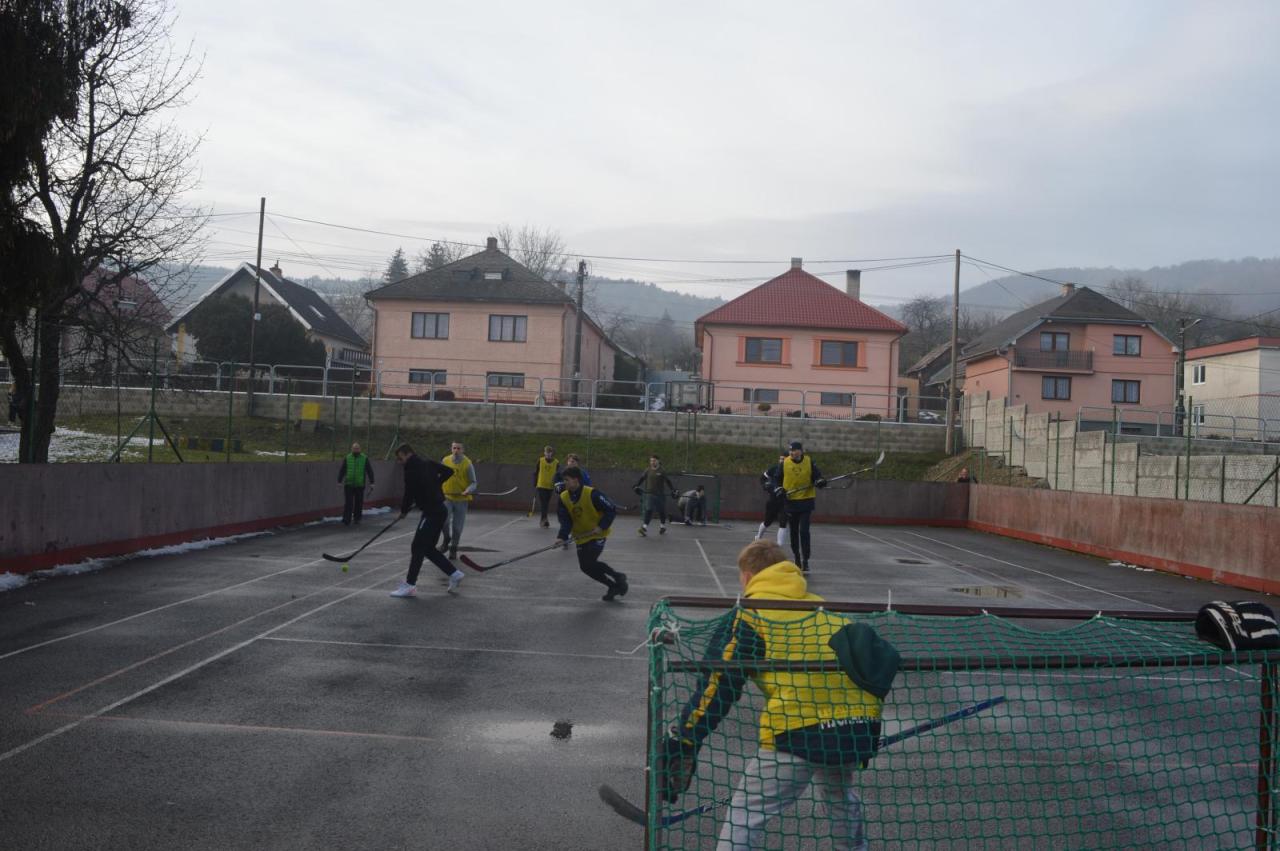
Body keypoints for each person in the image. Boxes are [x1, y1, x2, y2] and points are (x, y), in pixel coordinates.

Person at [661, 540, 882, 850]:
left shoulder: (751, 612)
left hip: (798, 728)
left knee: (745, 812)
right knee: (838, 795)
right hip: (855, 727)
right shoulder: (824, 609)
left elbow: (720, 682)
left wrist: (686, 736)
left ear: (748, 576)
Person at [391, 444, 464, 597]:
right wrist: (436, 484)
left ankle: (410, 585)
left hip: (432, 512)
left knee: (417, 546)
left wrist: (404, 511)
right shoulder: (428, 463)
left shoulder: (410, 470)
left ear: (407, 454)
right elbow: (448, 471)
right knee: (428, 548)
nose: (399, 461)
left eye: (400, 458)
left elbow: (409, 493)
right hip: (439, 510)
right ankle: (454, 573)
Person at [555, 467, 628, 602]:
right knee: (585, 567)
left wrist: (601, 526)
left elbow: (611, 509)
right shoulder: (563, 498)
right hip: (581, 536)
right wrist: (562, 537)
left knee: (589, 562)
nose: (564, 483)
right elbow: (565, 520)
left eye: (566, 480)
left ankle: (617, 576)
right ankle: (613, 586)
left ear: (576, 480)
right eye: (563, 480)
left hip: (597, 534)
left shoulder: (593, 494)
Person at [767, 441, 827, 573]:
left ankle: (806, 560)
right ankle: (797, 557)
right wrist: (778, 488)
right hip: (791, 502)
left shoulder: (809, 461)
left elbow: (817, 476)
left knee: (804, 531)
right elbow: (776, 479)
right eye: (790, 451)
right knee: (793, 532)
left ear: (800, 451)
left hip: (806, 501)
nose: (791, 453)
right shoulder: (785, 463)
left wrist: (820, 481)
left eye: (793, 450)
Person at [440, 441, 477, 561]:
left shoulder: (467, 464)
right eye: (454, 448)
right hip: (447, 497)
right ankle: (446, 539)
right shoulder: (445, 461)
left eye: (458, 448)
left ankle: (453, 547)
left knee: (457, 527)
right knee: (443, 521)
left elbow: (474, 482)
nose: (456, 450)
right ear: (451, 449)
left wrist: (468, 490)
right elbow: (439, 476)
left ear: (462, 450)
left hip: (461, 499)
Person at [634, 454, 677, 536]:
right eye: (651, 461)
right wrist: (637, 485)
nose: (652, 462)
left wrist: (673, 490)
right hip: (649, 494)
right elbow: (642, 478)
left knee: (661, 511)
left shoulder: (662, 471)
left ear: (658, 461)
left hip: (660, 495)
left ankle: (662, 526)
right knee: (649, 510)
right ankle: (644, 528)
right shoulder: (648, 470)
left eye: (654, 461)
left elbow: (668, 481)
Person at [337, 442, 374, 526]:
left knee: (359, 503)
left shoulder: (364, 458)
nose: (356, 450)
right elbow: (342, 469)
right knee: (348, 502)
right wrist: (339, 480)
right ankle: (346, 519)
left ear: (360, 449)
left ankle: (357, 518)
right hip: (349, 484)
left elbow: (369, 470)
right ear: (352, 449)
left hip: (360, 484)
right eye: (354, 448)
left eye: (357, 448)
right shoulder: (347, 457)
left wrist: (372, 482)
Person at [756, 454, 790, 546]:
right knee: (767, 522)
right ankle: (758, 536)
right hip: (774, 500)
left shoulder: (791, 471)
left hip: (785, 501)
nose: (781, 461)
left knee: (783, 522)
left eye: (784, 459)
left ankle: (779, 545)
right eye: (780, 459)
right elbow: (763, 478)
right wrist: (766, 485)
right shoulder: (774, 469)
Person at [532, 445, 560, 528]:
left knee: (546, 503)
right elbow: (536, 472)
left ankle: (544, 519)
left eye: (549, 452)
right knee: (543, 502)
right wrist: (535, 483)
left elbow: (558, 474)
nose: (547, 454)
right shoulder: (540, 461)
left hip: (550, 486)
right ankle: (544, 520)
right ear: (544, 453)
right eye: (546, 452)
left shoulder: (556, 462)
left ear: (552, 453)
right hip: (541, 485)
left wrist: (557, 484)